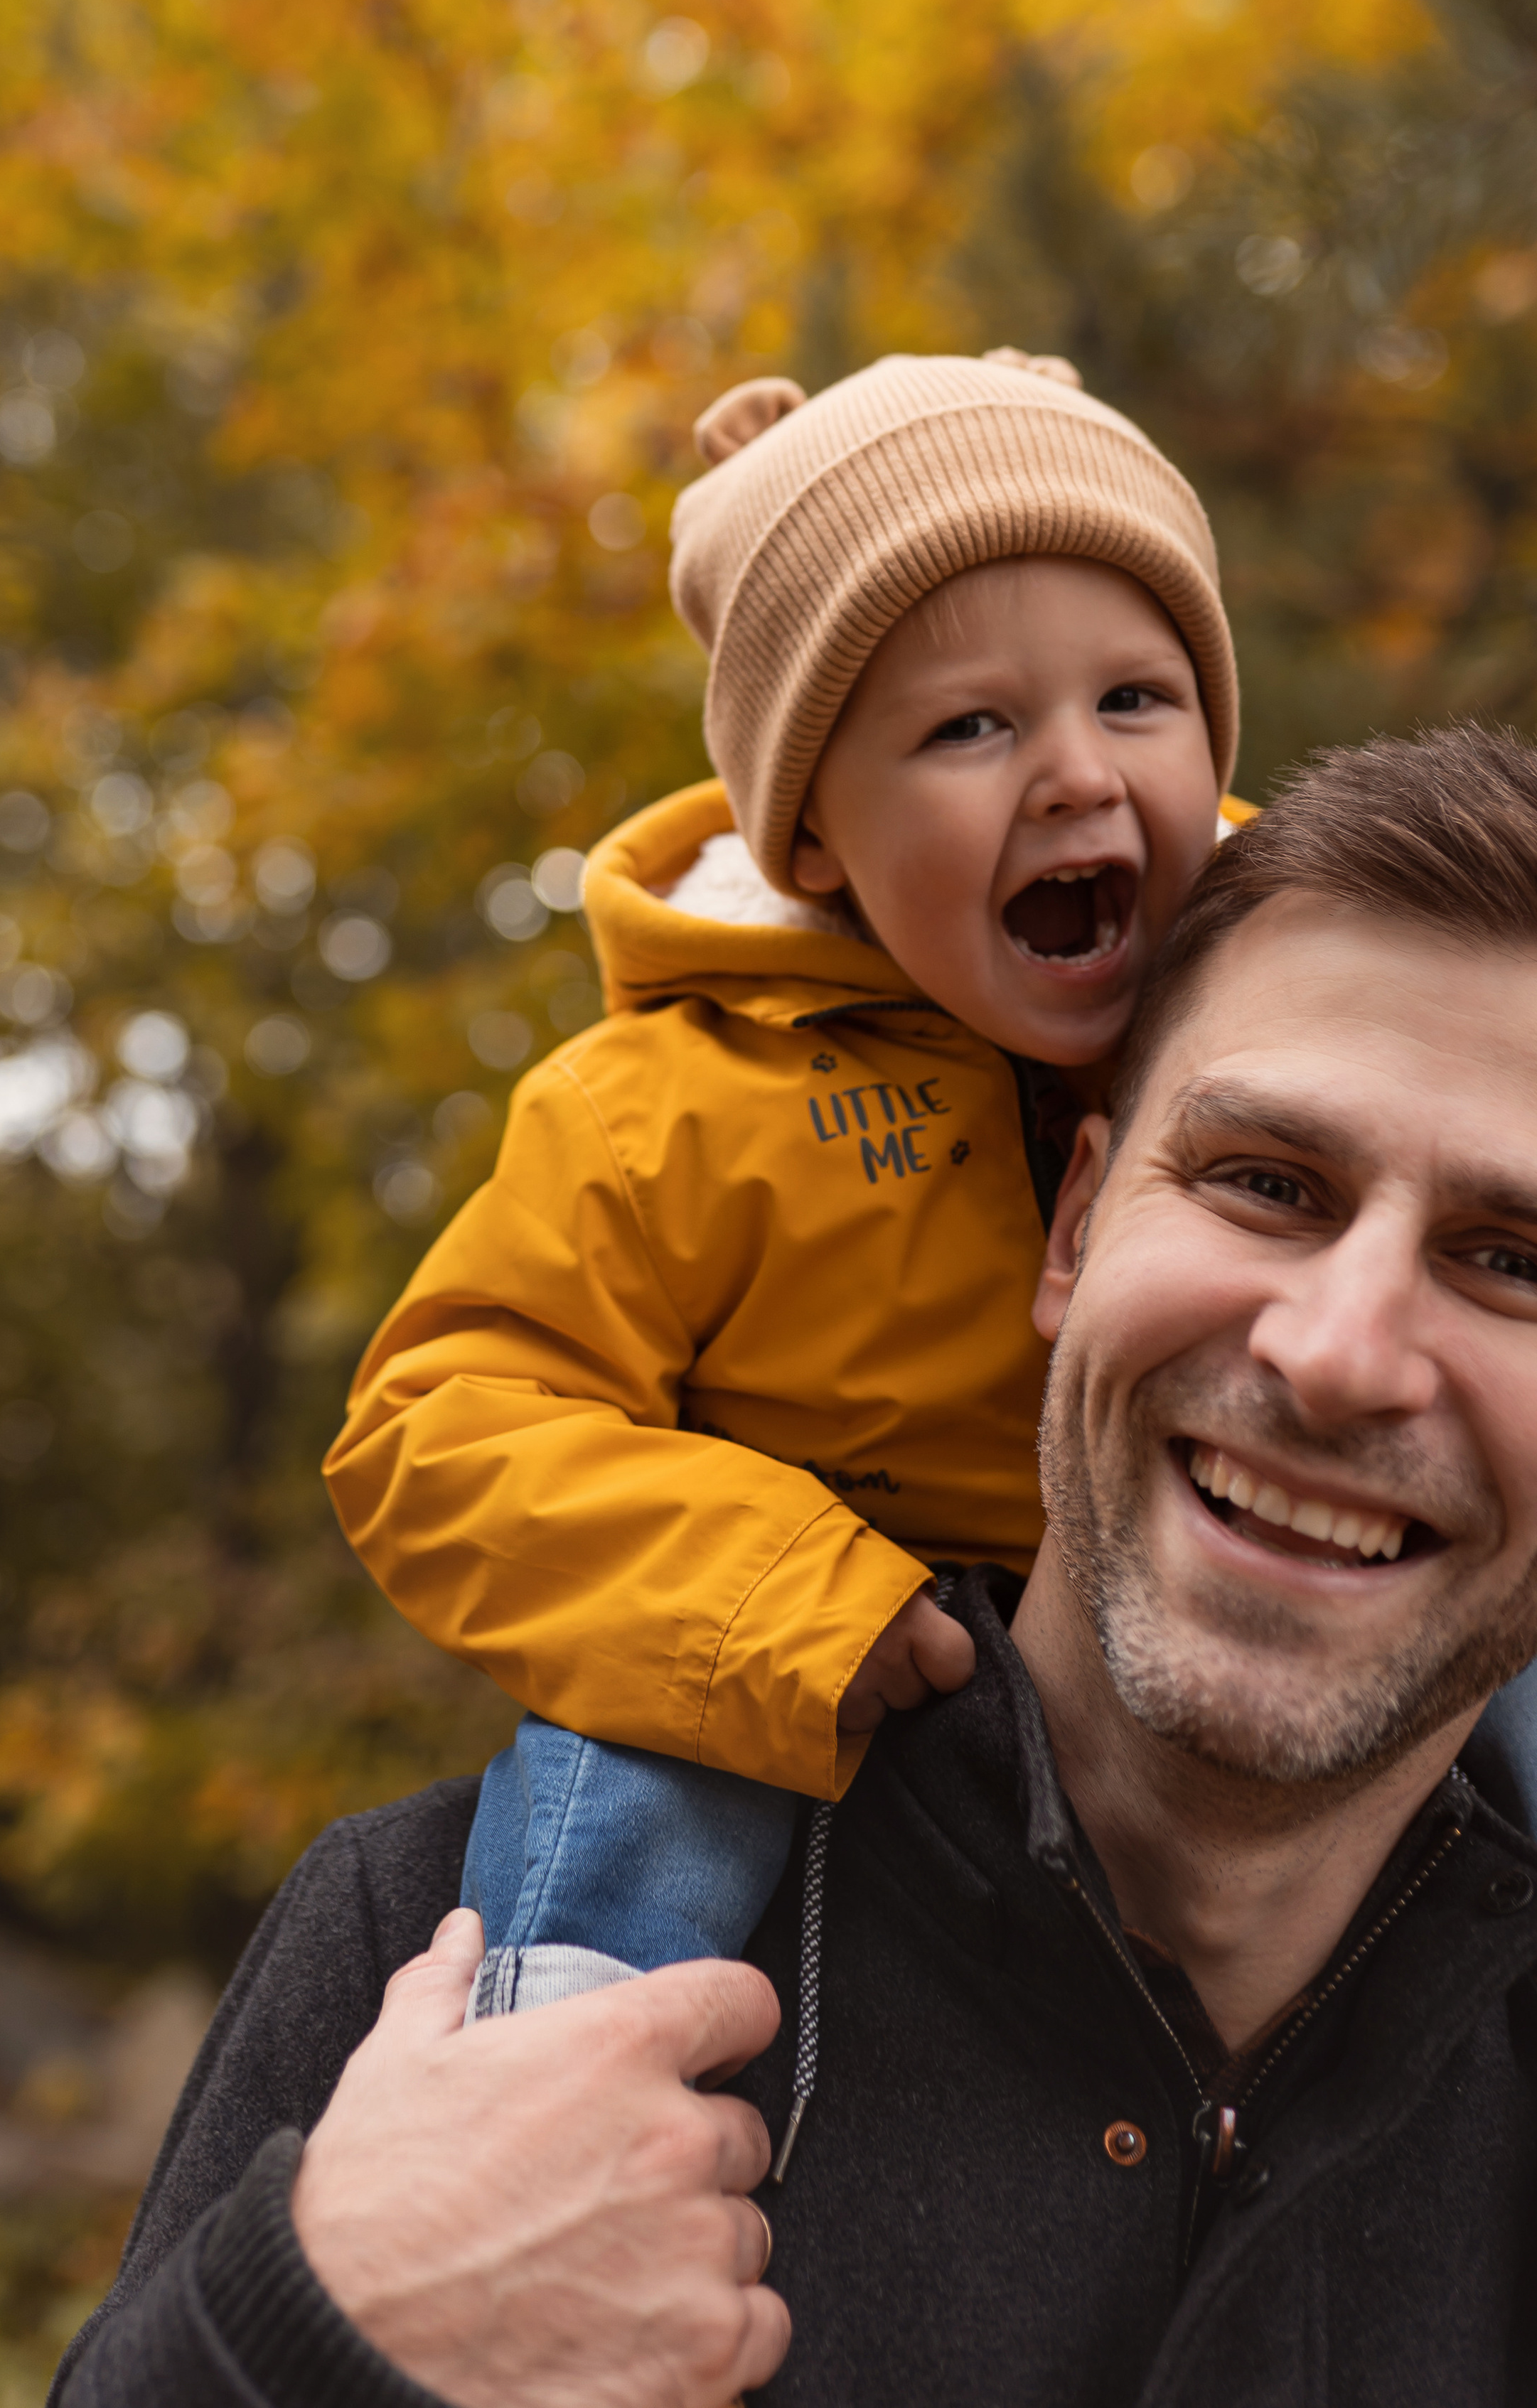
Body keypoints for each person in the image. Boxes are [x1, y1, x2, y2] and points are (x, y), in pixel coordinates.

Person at [56, 724, 1537, 2405]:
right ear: (1072, 1230)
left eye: (1518, 1262)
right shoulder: (453, 1970)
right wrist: (315, 2339)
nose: (1338, 1352)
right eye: (1263, 1182)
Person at [326, 347, 1253, 2014]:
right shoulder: (671, 1101)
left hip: (1212, 1574)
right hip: (820, 1628)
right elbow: (436, 1429)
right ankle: (539, 2113)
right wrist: (767, 1597)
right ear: (807, 839)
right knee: (643, 1781)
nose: (1074, 773)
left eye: (1135, 699)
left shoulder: (1300, 994)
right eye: (968, 725)